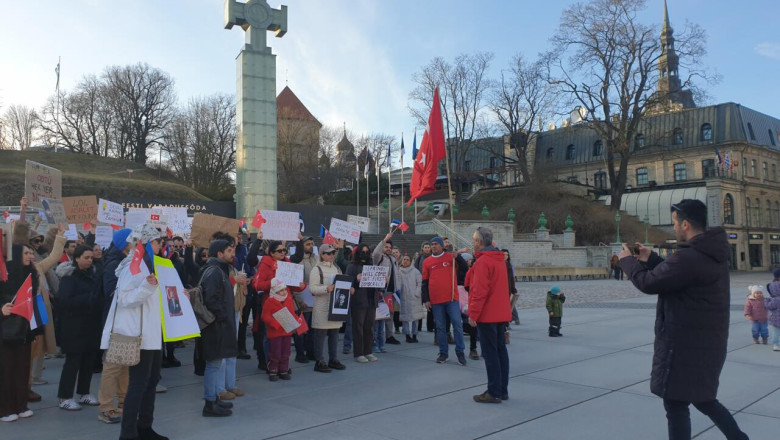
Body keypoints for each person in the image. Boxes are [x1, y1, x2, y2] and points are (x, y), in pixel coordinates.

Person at [619, 199, 748, 440]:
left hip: (684, 345)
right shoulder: (708, 252)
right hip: (704, 341)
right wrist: (652, 258)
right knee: (703, 399)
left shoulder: (689, 257)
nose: (674, 227)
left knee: (677, 403)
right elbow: (678, 274)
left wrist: (627, 261)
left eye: (675, 223)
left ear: (686, 224)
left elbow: (650, 283)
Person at [1, 224, 66, 422]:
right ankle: (5, 409)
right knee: (6, 372)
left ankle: (21, 406)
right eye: (27, 252)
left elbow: (53, 257)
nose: (31, 255)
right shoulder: (3, 274)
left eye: (31, 252)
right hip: (5, 332)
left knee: (22, 370)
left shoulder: (34, 272)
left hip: (25, 330)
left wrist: (60, 237)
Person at [110, 223, 169, 440]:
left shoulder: (152, 264)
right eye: (155, 241)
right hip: (139, 335)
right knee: (138, 384)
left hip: (153, 333)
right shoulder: (132, 267)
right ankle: (128, 433)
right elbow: (124, 299)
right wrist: (147, 287)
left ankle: (144, 427)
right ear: (144, 243)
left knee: (151, 381)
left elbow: (155, 298)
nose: (159, 245)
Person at [467, 227, 511, 403]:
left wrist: (473, 314)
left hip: (487, 314)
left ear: (479, 242)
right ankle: (502, 389)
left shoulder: (484, 262)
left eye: (473, 239)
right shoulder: (499, 259)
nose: (472, 242)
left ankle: (493, 391)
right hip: (500, 312)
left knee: (490, 353)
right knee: (500, 351)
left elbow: (479, 291)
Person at [56, 244, 102, 410]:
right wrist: (89, 298)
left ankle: (84, 393)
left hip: (91, 325)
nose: (90, 261)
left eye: (91, 258)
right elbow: (64, 301)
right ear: (76, 258)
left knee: (88, 361)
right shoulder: (69, 277)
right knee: (72, 362)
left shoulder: (95, 275)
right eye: (86, 258)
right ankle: (64, 396)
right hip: (73, 326)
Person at [97, 228, 133, 424]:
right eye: (133, 239)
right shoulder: (114, 264)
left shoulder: (124, 260)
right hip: (115, 321)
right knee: (112, 366)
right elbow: (112, 294)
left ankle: (123, 402)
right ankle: (106, 407)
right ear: (125, 243)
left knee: (125, 363)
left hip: (125, 321)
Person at [199, 239, 239, 417]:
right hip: (216, 326)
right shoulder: (215, 271)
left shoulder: (218, 270)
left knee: (216, 363)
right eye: (229, 250)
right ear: (220, 254)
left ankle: (215, 399)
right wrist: (223, 316)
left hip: (219, 324)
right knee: (213, 365)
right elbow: (211, 299)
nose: (233, 253)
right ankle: (209, 404)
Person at [422, 236, 467, 366]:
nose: (434, 246)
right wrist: (426, 299)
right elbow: (424, 282)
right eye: (432, 244)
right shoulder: (427, 261)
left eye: (436, 244)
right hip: (436, 300)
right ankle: (443, 353)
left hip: (451, 298)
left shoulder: (450, 257)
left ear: (442, 246)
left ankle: (460, 351)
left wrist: (457, 256)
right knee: (440, 327)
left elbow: (465, 269)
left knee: (457, 324)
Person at [308, 244, 348, 373]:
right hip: (322, 306)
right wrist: (326, 288)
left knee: (334, 334)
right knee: (320, 334)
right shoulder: (316, 269)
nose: (331, 255)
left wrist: (349, 288)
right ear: (322, 254)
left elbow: (342, 283)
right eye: (328, 253)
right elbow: (312, 289)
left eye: (333, 253)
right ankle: (319, 360)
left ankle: (333, 359)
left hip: (335, 306)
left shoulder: (336, 268)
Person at [347, 244, 379, 363]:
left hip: (371, 300)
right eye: (362, 251)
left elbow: (378, 284)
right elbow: (347, 282)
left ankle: (368, 351)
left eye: (367, 251)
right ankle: (358, 353)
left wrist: (383, 280)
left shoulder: (372, 266)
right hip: (359, 301)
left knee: (369, 327)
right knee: (358, 327)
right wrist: (356, 280)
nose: (364, 254)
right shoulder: (352, 266)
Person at [261, 278, 298, 381]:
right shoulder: (270, 301)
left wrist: (296, 321)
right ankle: (273, 370)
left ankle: (283, 369)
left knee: (286, 352)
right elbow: (265, 316)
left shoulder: (288, 300)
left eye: (285, 289)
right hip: (275, 332)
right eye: (281, 290)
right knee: (275, 352)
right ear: (275, 292)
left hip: (286, 331)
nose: (284, 292)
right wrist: (274, 323)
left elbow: (292, 313)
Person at [290, 235, 318, 363]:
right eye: (308, 244)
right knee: (301, 329)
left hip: (313, 298)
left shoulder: (315, 259)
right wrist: (299, 301)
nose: (311, 246)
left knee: (312, 329)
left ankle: (311, 351)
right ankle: (300, 353)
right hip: (301, 300)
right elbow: (295, 282)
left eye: (312, 244)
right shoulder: (297, 260)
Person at [372, 232, 401, 345]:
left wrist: (397, 289)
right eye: (386, 247)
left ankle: (389, 336)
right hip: (381, 290)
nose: (388, 249)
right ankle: (376, 338)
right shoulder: (379, 257)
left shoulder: (393, 259)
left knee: (390, 314)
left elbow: (396, 274)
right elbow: (375, 253)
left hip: (392, 291)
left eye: (390, 247)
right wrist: (384, 240)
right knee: (379, 315)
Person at [397, 254, 423, 343]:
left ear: (410, 261)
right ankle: (407, 335)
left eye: (408, 259)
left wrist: (416, 294)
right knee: (405, 318)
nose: (406, 261)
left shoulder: (415, 271)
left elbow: (419, 283)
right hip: (403, 297)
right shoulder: (398, 271)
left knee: (415, 317)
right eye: (404, 259)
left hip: (414, 297)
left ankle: (415, 334)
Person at [766, 270, 780, 351]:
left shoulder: (774, 299)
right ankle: (776, 344)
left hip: (775, 319)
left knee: (776, 332)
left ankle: (775, 344)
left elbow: (768, 306)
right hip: (776, 319)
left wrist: (767, 300)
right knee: (777, 332)